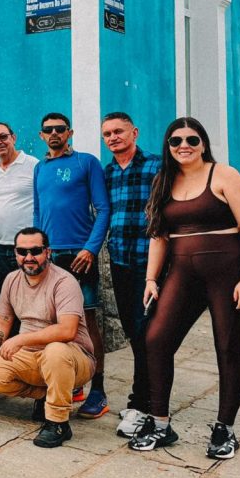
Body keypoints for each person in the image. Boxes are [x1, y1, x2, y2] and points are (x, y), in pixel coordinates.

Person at [129, 118, 240, 460]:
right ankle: (160, 423)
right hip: (183, 274)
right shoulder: (164, 180)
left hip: (229, 274)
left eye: (191, 139)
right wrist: (150, 279)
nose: (183, 145)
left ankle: (224, 429)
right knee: (156, 339)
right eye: (175, 140)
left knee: (229, 348)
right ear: (168, 146)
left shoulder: (224, 175)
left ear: (203, 142)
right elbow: (159, 235)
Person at [0, 227, 96, 448]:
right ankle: (48, 395)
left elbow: (67, 330)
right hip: (32, 357)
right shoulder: (12, 280)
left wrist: (20, 340)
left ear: (47, 252)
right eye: (22, 251)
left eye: (35, 251)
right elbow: (3, 321)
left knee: (55, 350)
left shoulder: (64, 282)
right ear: (15, 253)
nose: (28, 258)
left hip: (73, 357)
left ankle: (58, 423)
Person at [33, 112, 111, 419]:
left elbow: (103, 209)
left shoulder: (86, 163)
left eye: (60, 129)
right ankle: (73, 380)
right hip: (50, 258)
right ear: (41, 135)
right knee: (56, 324)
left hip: (80, 256)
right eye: (48, 129)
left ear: (70, 132)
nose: (54, 133)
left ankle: (99, 390)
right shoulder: (40, 168)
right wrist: (39, 251)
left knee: (88, 322)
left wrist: (90, 249)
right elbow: (39, 214)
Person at [100, 112, 162, 437]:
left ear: (134, 132)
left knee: (145, 334)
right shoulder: (108, 172)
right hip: (120, 262)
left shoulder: (156, 166)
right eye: (107, 134)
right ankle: (147, 399)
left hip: (149, 266)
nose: (112, 138)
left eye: (118, 131)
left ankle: (142, 405)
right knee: (133, 331)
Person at [0, 122, 38, 291]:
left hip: (27, 247)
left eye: (3, 137)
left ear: (13, 138)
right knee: (4, 297)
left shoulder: (33, 165)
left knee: (31, 294)